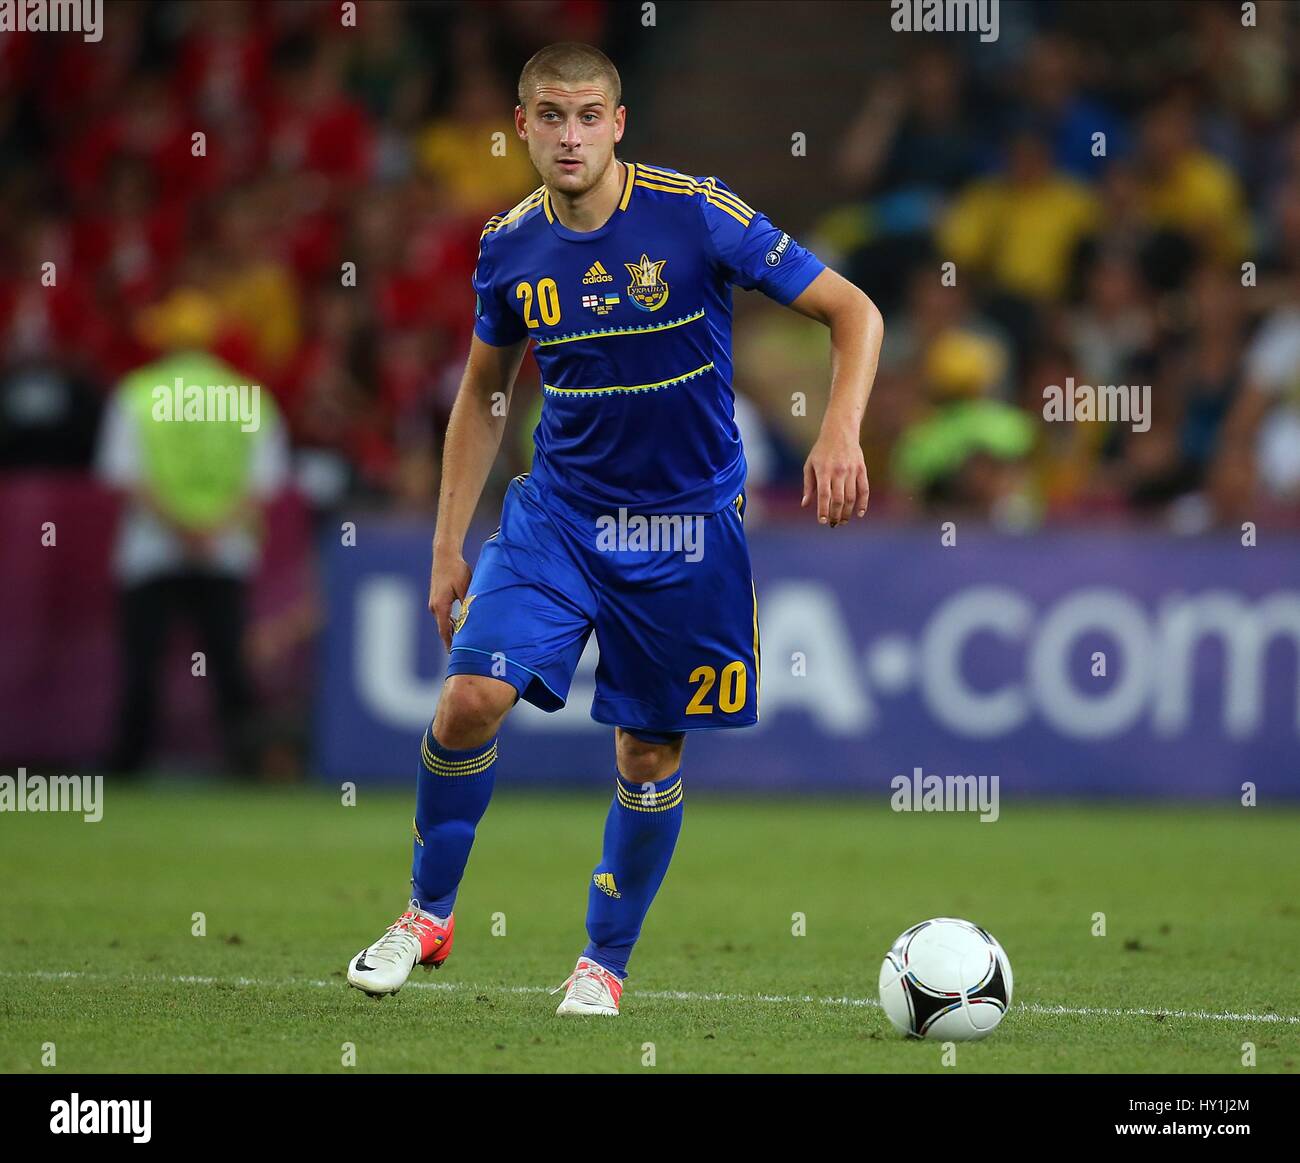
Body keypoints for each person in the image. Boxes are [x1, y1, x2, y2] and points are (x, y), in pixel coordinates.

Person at [346, 43, 884, 1015]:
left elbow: (853, 311)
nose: (569, 135)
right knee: (469, 696)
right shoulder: (508, 244)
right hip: (556, 517)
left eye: (589, 115)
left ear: (618, 124)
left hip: (684, 533)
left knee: (647, 752)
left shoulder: (695, 213)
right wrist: (445, 545)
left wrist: (839, 433)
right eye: (550, 115)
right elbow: (482, 393)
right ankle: (424, 913)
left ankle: (603, 962)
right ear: (521, 126)